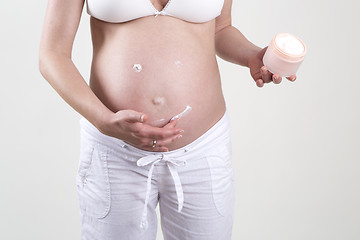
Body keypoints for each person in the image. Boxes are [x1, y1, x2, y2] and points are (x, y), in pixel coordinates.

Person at [39, 0, 297, 239]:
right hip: (115, 155)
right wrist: (103, 119)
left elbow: (221, 28)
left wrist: (252, 55)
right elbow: (52, 53)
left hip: (203, 150)